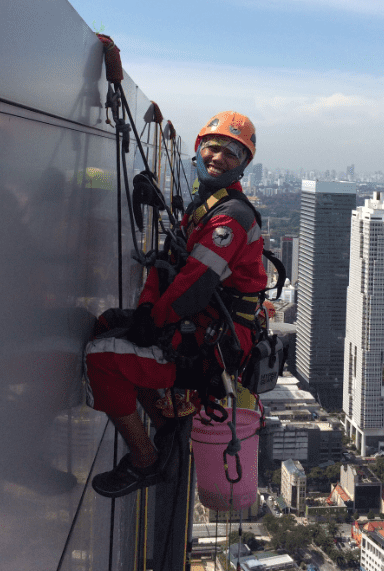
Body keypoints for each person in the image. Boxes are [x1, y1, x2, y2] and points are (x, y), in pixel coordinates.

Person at [85, 110, 267, 498]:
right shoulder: (203, 207)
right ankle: (164, 425)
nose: (218, 158)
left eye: (232, 154)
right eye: (213, 148)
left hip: (212, 342)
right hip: (195, 323)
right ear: (198, 149)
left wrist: (156, 320)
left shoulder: (230, 217)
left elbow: (194, 286)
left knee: (101, 357)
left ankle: (145, 460)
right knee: (108, 323)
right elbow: (167, 267)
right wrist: (149, 311)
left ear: (243, 166)